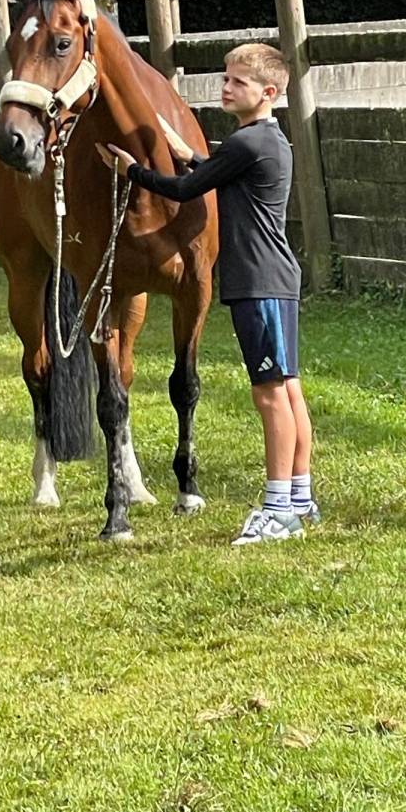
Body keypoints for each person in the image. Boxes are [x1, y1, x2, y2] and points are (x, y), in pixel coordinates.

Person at [95, 42, 320, 545]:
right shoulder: (262, 141)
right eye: (225, 77)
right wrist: (187, 151)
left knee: (269, 395)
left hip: (258, 283)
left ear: (267, 92)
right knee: (288, 388)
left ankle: (278, 508)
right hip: (276, 280)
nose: (225, 87)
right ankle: (301, 498)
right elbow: (213, 170)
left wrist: (130, 170)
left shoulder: (245, 145)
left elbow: (180, 190)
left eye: (237, 82)